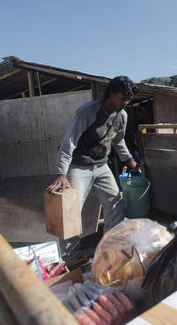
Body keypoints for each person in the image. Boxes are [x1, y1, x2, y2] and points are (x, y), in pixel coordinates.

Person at [45, 75, 139, 234]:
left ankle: (109, 246)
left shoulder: (122, 116)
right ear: (111, 93)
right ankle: (71, 256)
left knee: (116, 205)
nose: (126, 103)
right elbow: (69, 141)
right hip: (78, 166)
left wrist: (129, 160)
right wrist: (61, 173)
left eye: (129, 99)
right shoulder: (87, 112)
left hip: (102, 165)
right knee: (70, 211)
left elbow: (118, 140)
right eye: (123, 98)